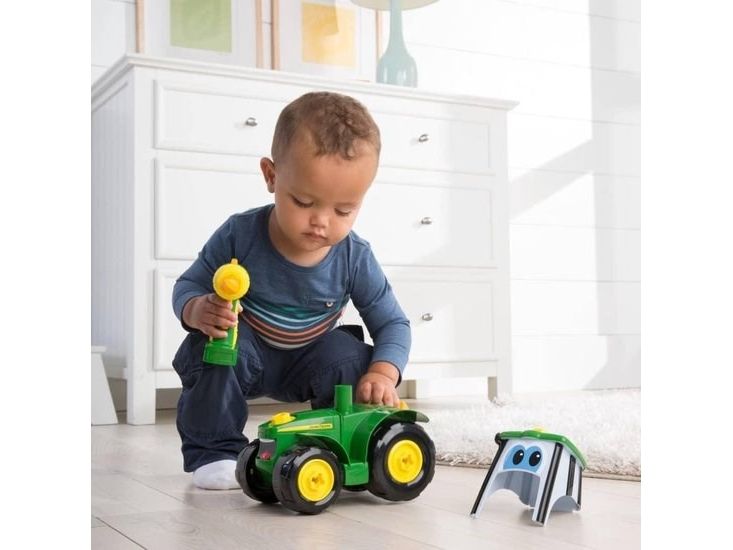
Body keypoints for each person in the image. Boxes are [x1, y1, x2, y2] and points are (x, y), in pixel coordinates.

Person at [171, 91, 411, 490]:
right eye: (303, 201)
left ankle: (348, 444)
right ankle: (216, 453)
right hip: (245, 351)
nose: (321, 222)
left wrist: (384, 373)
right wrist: (196, 309)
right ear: (271, 176)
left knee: (352, 355)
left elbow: (393, 324)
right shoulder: (239, 234)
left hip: (311, 361)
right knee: (210, 345)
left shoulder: (354, 256)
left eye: (343, 210)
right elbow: (188, 284)